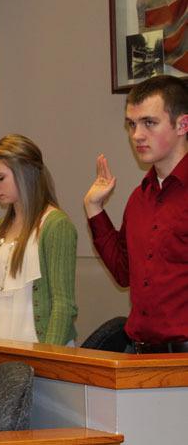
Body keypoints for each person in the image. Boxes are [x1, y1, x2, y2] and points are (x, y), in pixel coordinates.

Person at [84, 75, 188, 353]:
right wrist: (95, 210)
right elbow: (123, 273)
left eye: (149, 123)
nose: (136, 135)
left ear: (182, 124)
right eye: (131, 124)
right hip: (141, 357)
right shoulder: (139, 198)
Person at [0, 134, 78, 345]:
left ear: (25, 172)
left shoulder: (55, 225)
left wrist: (48, 359)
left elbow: (63, 305)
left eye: (0, 178)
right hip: (5, 352)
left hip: (43, 354)